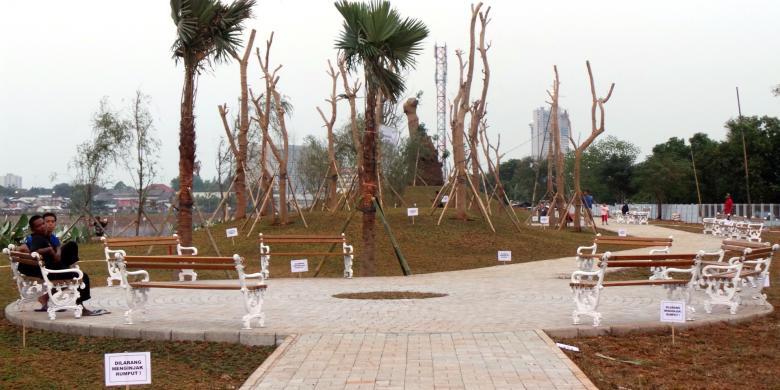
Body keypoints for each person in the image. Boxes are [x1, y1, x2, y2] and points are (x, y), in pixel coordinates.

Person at [26, 215, 107, 316]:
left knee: (71, 246)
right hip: (52, 272)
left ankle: (68, 272)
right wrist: (49, 250)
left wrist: (56, 251)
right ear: (33, 229)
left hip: (53, 268)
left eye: (43, 224)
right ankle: (81, 307)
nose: (43, 226)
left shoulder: (44, 237)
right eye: (39, 226)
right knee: (83, 277)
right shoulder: (37, 238)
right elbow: (33, 251)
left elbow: (57, 252)